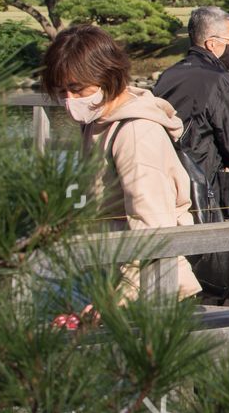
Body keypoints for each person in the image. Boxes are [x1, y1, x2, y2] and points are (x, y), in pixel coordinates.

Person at [40, 24, 202, 303]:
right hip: (112, 276)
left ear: (107, 76)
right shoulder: (96, 122)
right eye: (62, 91)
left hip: (153, 290)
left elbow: (152, 227)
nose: (69, 100)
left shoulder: (135, 132)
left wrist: (121, 297)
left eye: (77, 89)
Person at [152, 6, 229, 302]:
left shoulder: (169, 75)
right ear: (213, 43)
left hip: (167, 176)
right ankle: (217, 298)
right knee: (210, 253)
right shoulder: (217, 78)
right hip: (203, 180)